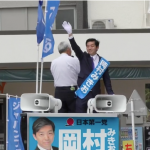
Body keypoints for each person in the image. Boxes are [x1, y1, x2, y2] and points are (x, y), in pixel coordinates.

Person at [62, 21, 114, 113]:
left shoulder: (102, 62)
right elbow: (75, 48)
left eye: (92, 46)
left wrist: (111, 94)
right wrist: (70, 34)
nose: (89, 48)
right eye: (87, 46)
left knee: (95, 118)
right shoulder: (83, 57)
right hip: (83, 93)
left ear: (97, 47)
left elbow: (107, 80)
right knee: (80, 117)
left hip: (95, 94)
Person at [50, 41, 80, 113]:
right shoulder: (74, 60)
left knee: (60, 113)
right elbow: (79, 72)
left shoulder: (54, 62)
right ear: (68, 50)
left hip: (58, 91)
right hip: (71, 90)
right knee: (73, 114)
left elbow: (53, 74)